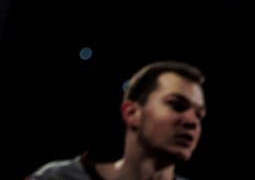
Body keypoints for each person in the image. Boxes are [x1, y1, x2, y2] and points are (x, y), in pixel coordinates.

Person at [27, 60, 207, 180]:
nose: (192, 122)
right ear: (131, 113)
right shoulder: (57, 177)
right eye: (176, 105)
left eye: (199, 114)